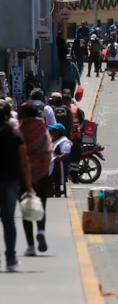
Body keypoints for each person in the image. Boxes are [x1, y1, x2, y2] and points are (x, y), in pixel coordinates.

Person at [0, 99, 34, 271]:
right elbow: (24, 162)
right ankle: (11, 259)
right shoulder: (15, 135)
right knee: (8, 220)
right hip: (10, 182)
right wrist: (29, 186)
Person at [18, 102, 52, 257]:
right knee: (41, 205)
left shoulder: (20, 130)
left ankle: (31, 245)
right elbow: (47, 149)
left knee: (26, 208)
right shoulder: (43, 129)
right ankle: (41, 231)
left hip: (25, 175)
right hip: (43, 172)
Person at [63, 90, 84, 181]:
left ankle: (74, 176)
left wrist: (79, 129)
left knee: (75, 157)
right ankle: (67, 175)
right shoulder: (60, 110)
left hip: (75, 137)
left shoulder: (76, 109)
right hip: (66, 138)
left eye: (67, 101)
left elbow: (82, 121)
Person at [49, 123, 72, 198]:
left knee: (56, 169)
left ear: (58, 132)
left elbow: (65, 154)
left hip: (59, 164)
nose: (51, 131)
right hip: (50, 162)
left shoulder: (64, 141)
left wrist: (55, 160)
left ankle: (57, 190)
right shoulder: (52, 140)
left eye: (53, 130)